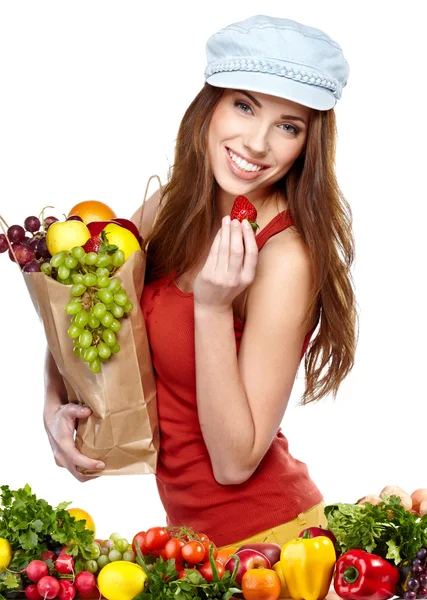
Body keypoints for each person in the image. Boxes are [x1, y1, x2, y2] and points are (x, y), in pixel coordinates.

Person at [43, 15, 357, 549]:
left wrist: (212, 309)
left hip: (270, 546)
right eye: (244, 105)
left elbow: (236, 462)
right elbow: (86, 290)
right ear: (208, 106)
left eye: (289, 125)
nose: (257, 144)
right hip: (194, 549)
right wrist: (53, 406)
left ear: (308, 143)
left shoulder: (285, 257)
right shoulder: (174, 205)